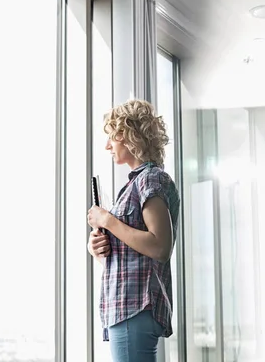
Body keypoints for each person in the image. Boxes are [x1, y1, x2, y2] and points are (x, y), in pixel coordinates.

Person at [87, 99, 180, 362]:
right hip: (128, 309)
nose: (107, 146)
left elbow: (160, 246)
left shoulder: (151, 179)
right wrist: (97, 247)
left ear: (129, 136)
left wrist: (108, 220)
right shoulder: (137, 183)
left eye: (111, 137)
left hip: (134, 307)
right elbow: (132, 249)